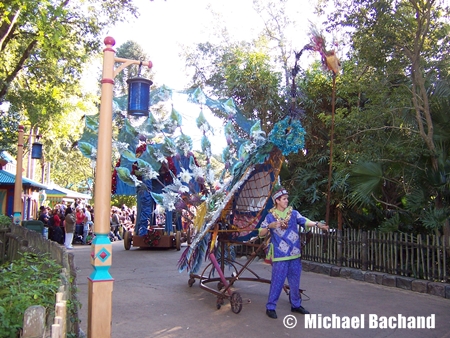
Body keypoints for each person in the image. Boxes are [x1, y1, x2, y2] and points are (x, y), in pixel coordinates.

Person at [259, 185, 329, 319]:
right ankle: (271, 307)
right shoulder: (270, 217)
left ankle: (296, 305)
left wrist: (317, 225)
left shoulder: (294, 214)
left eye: (287, 199)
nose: (286, 201)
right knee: (277, 282)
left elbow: (304, 221)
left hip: (295, 254)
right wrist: (270, 226)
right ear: (277, 201)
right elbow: (261, 233)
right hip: (280, 256)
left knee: (295, 282)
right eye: (284, 199)